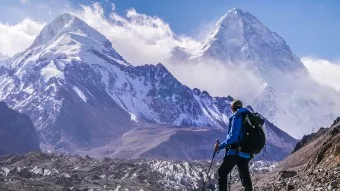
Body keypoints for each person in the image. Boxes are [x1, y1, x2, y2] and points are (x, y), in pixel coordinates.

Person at [214, 99, 253, 191]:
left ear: (232, 108)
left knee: (221, 172)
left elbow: (233, 137)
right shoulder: (248, 116)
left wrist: (220, 146)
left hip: (236, 152)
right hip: (246, 153)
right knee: (245, 177)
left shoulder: (237, 116)